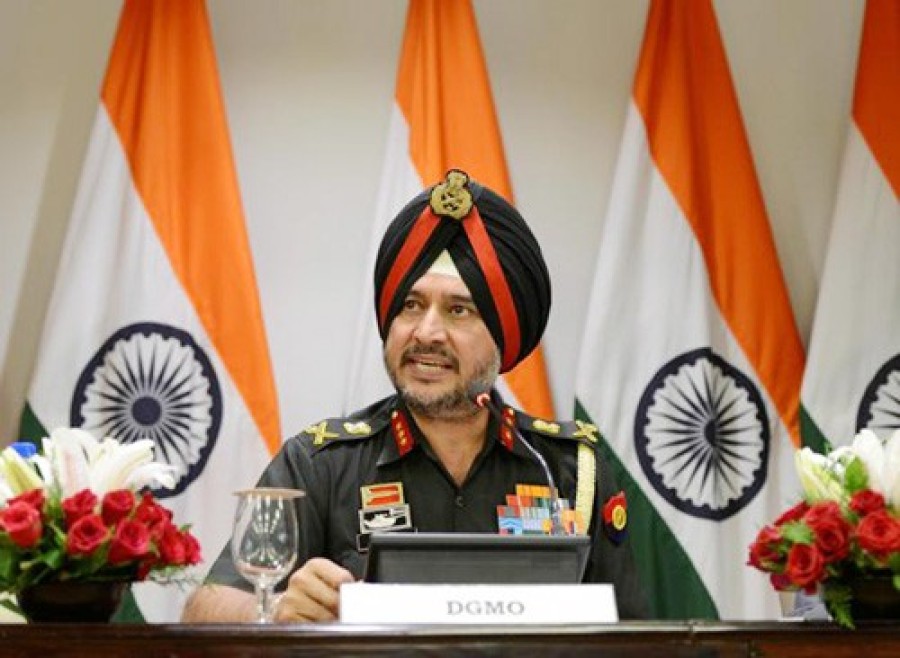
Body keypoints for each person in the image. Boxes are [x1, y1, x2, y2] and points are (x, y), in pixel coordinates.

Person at [182, 169, 648, 622]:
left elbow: (632, 638)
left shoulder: (569, 468)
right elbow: (203, 609)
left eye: (459, 310)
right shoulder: (320, 464)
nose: (426, 333)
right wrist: (274, 608)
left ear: (503, 336)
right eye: (410, 305)